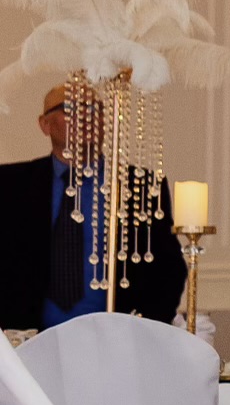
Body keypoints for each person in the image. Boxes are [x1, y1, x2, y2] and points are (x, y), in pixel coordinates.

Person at [0, 82, 185, 329]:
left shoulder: (139, 186)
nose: (86, 117)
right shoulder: (11, 185)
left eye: (93, 109)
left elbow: (169, 269)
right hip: (28, 340)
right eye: (71, 108)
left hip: (117, 338)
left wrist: (140, 331)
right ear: (45, 124)